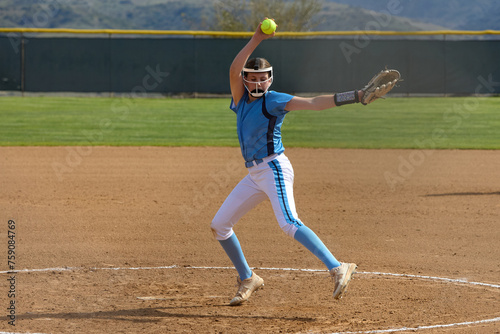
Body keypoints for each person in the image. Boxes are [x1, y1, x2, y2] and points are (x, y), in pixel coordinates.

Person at [210, 19, 363, 306]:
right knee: (219, 225)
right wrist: (257, 37)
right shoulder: (240, 100)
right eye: (252, 78)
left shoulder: (275, 100)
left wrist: (354, 96)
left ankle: (337, 267)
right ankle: (248, 277)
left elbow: (315, 103)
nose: (257, 82)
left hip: (274, 168)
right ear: (245, 80)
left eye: (262, 77)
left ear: (270, 79)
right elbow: (233, 69)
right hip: (254, 174)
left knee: (289, 223)